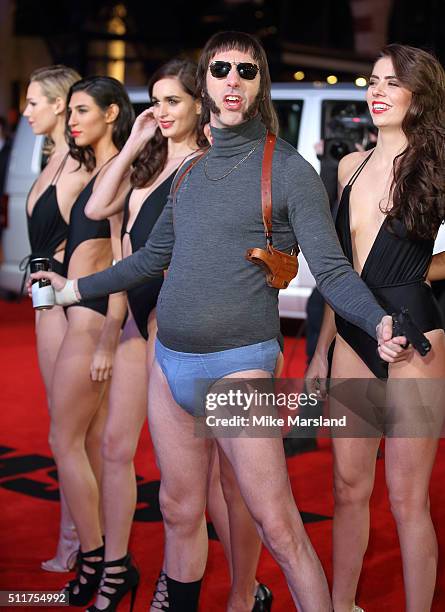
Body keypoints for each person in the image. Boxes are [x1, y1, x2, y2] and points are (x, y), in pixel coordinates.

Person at [31, 32, 404, 611]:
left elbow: (331, 271)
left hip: (238, 367)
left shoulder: (289, 169)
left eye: (247, 72)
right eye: (222, 69)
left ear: (257, 87)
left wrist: (378, 321)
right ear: (205, 81)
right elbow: (151, 259)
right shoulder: (189, 171)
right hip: (169, 363)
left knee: (277, 524)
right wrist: (73, 288)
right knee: (181, 513)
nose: (233, 80)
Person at [84, 58, 273, 612]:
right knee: (191, 488)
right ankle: (216, 587)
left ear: (199, 105)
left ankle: (241, 590)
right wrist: (135, 139)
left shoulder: (208, 167)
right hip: (149, 332)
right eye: (155, 101)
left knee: (227, 484)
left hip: (192, 335)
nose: (161, 112)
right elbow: (98, 208)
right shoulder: (147, 172)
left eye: (173, 101)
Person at [306, 44, 445, 612]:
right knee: (347, 489)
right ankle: (342, 605)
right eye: (373, 80)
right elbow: (339, 272)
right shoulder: (349, 165)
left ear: (421, 92)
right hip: (350, 337)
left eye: (392, 82)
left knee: (409, 500)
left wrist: (418, 273)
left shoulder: (438, 161)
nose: (377, 91)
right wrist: (320, 353)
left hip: (416, 338)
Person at [46, 76, 134, 605]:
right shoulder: (98, 171)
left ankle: (97, 558)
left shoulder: (120, 174)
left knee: (64, 442)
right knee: (85, 445)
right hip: (78, 310)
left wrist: (106, 339)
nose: (72, 120)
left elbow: (124, 264)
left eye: (82, 111)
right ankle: (101, 562)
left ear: (111, 114)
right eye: (71, 111)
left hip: (95, 321)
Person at [22, 65, 90, 572]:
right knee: (64, 428)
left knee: (69, 434)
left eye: (32, 102)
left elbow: (96, 239)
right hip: (47, 301)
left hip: (67, 306)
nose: (25, 112)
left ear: (59, 105)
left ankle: (81, 545)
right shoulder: (53, 160)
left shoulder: (79, 166)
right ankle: (83, 541)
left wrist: (59, 280)